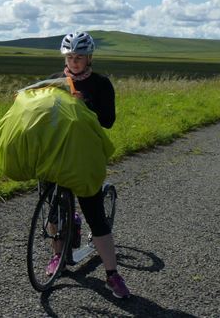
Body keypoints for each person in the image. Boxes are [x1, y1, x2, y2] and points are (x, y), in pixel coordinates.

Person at [45, 31, 130, 299]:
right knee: (54, 210)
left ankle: (112, 275)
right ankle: (57, 256)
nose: (74, 61)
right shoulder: (55, 82)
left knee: (95, 215)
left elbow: (107, 121)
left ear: (89, 57)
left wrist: (87, 105)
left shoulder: (101, 84)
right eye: (70, 56)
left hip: (85, 155)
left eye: (79, 57)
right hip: (56, 153)